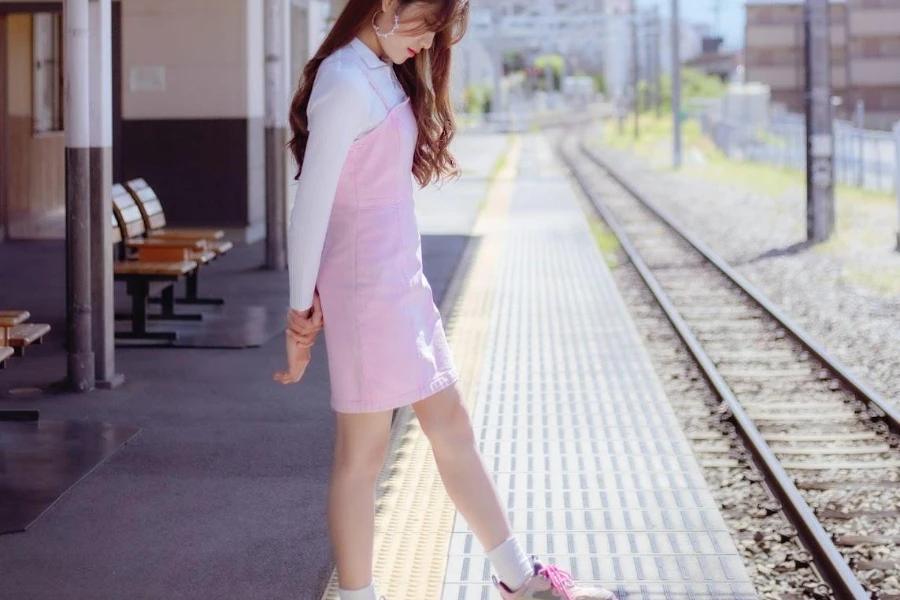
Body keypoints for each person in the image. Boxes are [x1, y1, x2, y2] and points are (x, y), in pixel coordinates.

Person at [273, 1, 617, 599]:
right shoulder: (344, 80)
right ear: (385, 5)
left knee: (450, 426)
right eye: (428, 22)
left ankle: (521, 579)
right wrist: (300, 316)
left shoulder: (377, 71)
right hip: (366, 291)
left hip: (400, 282)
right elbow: (310, 209)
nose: (431, 41)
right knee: (363, 454)